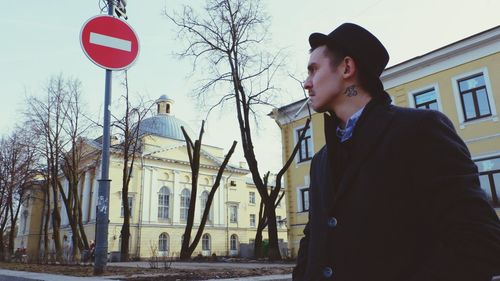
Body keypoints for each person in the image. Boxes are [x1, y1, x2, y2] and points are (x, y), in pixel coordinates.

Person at [293, 23, 500, 281]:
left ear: (347, 68)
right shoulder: (320, 161)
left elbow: (478, 240)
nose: (306, 83)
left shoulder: (420, 130)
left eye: (313, 69)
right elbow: (313, 238)